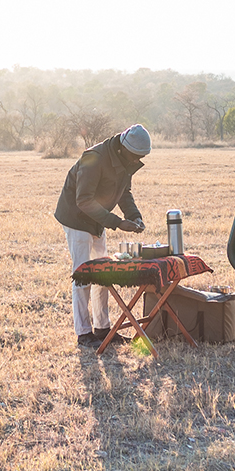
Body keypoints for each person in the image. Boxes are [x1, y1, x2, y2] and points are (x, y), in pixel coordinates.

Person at [54, 124, 150, 348]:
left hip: (98, 219)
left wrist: (135, 216)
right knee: (82, 275)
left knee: (103, 273)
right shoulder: (94, 158)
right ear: (123, 148)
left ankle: (104, 329)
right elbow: (84, 200)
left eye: (141, 158)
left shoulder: (126, 160)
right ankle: (84, 333)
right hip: (76, 218)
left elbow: (124, 192)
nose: (137, 162)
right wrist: (117, 223)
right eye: (135, 157)